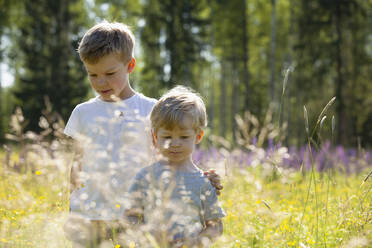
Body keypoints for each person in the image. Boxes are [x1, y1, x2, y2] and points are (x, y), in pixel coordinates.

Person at [63, 21, 222, 247]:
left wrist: (200, 179)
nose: (101, 82)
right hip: (91, 213)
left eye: (109, 73)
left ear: (130, 65)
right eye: (93, 74)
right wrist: (72, 208)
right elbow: (76, 165)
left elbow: (170, 157)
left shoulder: (152, 110)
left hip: (138, 213)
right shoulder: (82, 112)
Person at [124, 86, 226, 247]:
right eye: (167, 136)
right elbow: (129, 216)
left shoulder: (204, 182)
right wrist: (143, 236)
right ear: (155, 137)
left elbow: (216, 225)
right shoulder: (145, 177)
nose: (175, 143)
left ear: (198, 136)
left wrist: (195, 242)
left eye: (184, 136)